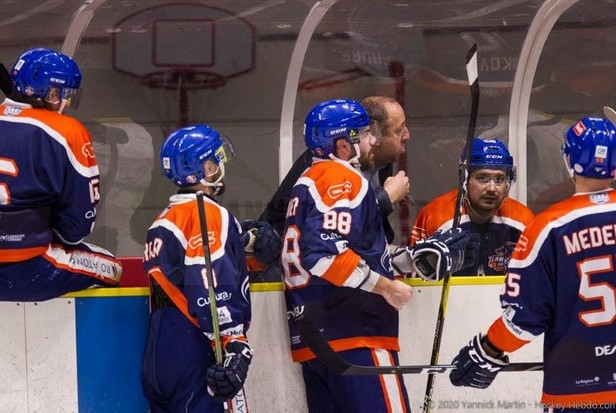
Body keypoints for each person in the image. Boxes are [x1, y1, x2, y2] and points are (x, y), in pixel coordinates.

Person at [282, 99, 478, 413]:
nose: (372, 139)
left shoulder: (308, 182)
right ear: (343, 144)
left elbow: (350, 251)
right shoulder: (341, 178)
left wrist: (410, 259)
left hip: (316, 341)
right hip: (355, 336)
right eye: (363, 134)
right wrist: (385, 287)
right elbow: (323, 256)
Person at [449, 117, 616, 412]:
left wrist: (487, 350)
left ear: (568, 159)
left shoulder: (547, 227)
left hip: (577, 388)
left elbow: (524, 320)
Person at [142, 124, 279, 412]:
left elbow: (189, 270)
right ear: (206, 167)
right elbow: (208, 281)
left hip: (160, 350)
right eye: (217, 159)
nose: (221, 164)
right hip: (196, 347)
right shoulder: (208, 212)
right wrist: (234, 345)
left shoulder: (162, 220)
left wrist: (245, 244)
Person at [0, 47, 121, 301]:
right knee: (112, 268)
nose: (66, 103)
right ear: (52, 93)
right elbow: (76, 226)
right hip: (30, 270)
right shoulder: (67, 131)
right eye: (65, 95)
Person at [260, 95, 410, 243]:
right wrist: (385, 198)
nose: (407, 135)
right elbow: (333, 231)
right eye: (398, 130)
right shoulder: (322, 170)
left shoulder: (381, 160)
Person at [409, 137, 535, 276]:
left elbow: (536, 278)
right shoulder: (435, 216)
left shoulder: (523, 220)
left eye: (499, 179)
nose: (492, 188)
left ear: (508, 181)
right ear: (465, 179)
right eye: (482, 178)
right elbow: (413, 276)